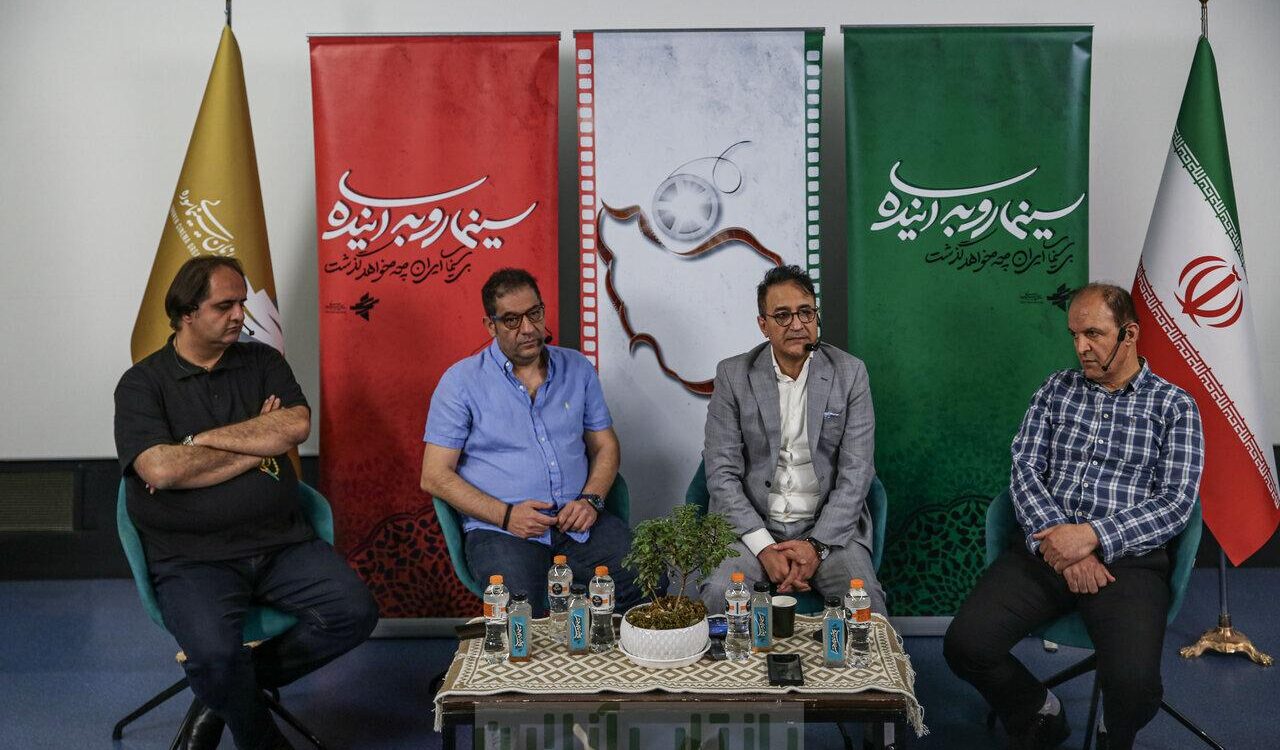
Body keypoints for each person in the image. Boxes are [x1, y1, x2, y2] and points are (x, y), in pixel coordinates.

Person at [114, 257, 378, 750]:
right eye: (225, 306)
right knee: (216, 657)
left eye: (241, 303)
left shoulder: (263, 362)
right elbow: (161, 470)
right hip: (192, 559)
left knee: (355, 612)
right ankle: (251, 724)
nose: (240, 315)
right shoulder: (142, 385)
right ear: (186, 313)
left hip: (281, 543)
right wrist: (256, 442)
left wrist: (195, 442)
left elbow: (295, 426)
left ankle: (223, 692)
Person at [944, 283, 1204, 750]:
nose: (1080, 347)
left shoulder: (1175, 406)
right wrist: (1063, 545)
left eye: (1093, 334)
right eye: (1074, 335)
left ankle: (1111, 728)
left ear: (1129, 334)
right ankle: (1038, 711)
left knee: (1136, 690)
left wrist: (1092, 537)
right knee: (965, 646)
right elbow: (1025, 468)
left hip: (1127, 563)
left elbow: (1176, 503)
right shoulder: (1056, 389)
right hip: (1046, 548)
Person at [420, 267, 652, 616]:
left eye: (535, 314)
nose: (528, 328)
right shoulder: (460, 383)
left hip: (577, 522)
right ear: (490, 325)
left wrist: (591, 500)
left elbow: (605, 445)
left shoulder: (577, 369)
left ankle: (609, 652)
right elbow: (434, 475)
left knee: (648, 577)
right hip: (502, 530)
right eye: (512, 320)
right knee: (520, 608)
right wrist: (506, 515)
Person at [700, 265, 886, 615]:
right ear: (763, 325)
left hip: (829, 531)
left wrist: (815, 546)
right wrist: (764, 547)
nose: (797, 324)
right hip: (750, 529)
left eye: (806, 312)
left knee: (867, 605)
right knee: (720, 594)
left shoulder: (849, 373)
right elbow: (721, 474)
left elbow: (857, 472)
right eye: (783, 316)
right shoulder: (733, 375)